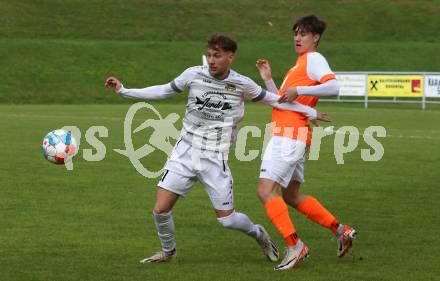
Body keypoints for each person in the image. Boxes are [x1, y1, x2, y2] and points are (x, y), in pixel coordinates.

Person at [105, 33, 330, 264]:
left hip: (214, 160)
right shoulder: (193, 74)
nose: (212, 60)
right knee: (160, 210)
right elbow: (164, 90)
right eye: (210, 55)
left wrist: (310, 112)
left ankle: (257, 232)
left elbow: (275, 100)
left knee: (227, 220)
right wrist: (124, 90)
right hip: (184, 154)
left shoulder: (242, 84)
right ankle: (168, 252)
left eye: (218, 56)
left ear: (230, 57)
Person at [255, 15, 357, 270]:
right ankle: (341, 230)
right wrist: (269, 80)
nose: (297, 38)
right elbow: (284, 100)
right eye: (295, 33)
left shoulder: (313, 59)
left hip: (288, 135)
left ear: (316, 38)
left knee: (265, 191)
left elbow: (333, 87)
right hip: (295, 134)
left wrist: (300, 92)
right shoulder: (300, 64)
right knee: (291, 195)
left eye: (303, 34)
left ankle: (295, 246)